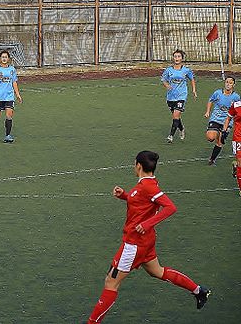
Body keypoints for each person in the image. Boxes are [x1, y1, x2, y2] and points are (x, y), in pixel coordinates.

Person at [87, 151, 210, 323]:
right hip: (145, 242)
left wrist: (147, 224)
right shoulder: (146, 185)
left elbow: (170, 207)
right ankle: (199, 291)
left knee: (111, 282)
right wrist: (124, 195)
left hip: (134, 243)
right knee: (157, 271)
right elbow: (141, 203)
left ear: (138, 165)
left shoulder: (148, 186)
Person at [161, 49, 197, 143]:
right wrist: (167, 85)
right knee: (175, 116)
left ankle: (170, 136)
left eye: (179, 56)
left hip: (181, 96)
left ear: (182, 58)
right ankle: (181, 129)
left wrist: (193, 90)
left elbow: (192, 79)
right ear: (173, 58)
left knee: (176, 114)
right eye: (175, 56)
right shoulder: (168, 70)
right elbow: (163, 80)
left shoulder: (186, 70)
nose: (177, 58)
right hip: (171, 96)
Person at [204, 76, 239, 165]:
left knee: (220, 141)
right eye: (227, 82)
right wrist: (208, 111)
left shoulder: (236, 97)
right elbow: (211, 100)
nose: (228, 84)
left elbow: (238, 109)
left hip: (227, 121)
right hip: (215, 118)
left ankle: (212, 159)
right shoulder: (218, 93)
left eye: (230, 83)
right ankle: (218, 132)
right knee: (210, 137)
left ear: (234, 85)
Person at [0, 51, 22, 143]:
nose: (4, 58)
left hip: (9, 96)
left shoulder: (12, 69)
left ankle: (8, 135)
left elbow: (14, 82)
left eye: (6, 57)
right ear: (0, 59)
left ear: (8, 59)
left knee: (9, 115)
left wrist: (17, 94)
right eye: (2, 57)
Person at [222, 99, 241, 196]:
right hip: (239, 138)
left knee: (239, 164)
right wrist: (224, 131)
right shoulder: (236, 105)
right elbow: (228, 118)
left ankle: (235, 165)